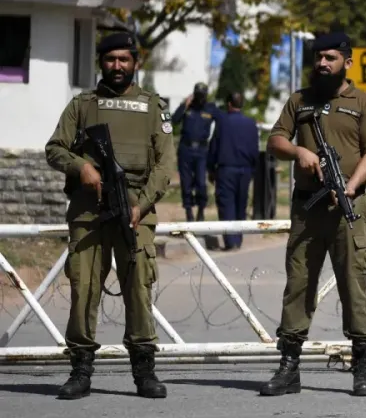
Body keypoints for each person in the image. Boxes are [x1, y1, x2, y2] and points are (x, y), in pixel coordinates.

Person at [44, 31, 175, 400]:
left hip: (135, 213)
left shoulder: (153, 107)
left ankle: (144, 371)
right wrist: (81, 167)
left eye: (124, 59)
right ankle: (80, 370)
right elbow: (54, 148)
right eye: (110, 59)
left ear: (135, 62)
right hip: (89, 214)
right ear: (101, 62)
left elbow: (164, 165)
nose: (117, 66)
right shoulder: (83, 105)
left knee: (138, 290)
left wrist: (141, 205)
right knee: (83, 290)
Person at [259, 31, 366, 397]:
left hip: (348, 206)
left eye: (330, 57)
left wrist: (350, 186)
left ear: (348, 62)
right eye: (318, 57)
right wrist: (299, 152)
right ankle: (289, 366)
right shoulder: (299, 100)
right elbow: (275, 140)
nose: (322, 63)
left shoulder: (363, 102)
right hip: (307, 207)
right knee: (299, 283)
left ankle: (362, 366)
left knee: (354, 283)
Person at [207, 91, 260, 251]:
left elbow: (214, 147)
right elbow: (255, 149)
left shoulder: (223, 122)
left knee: (227, 204)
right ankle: (238, 239)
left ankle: (231, 242)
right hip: (245, 170)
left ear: (229, 104)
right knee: (241, 204)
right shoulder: (251, 123)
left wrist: (211, 169)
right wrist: (253, 170)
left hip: (226, 170)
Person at [170, 82, 220, 222]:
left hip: (202, 151)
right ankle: (188, 211)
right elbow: (174, 120)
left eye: (202, 95)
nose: (200, 98)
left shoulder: (211, 108)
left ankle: (201, 210)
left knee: (201, 183)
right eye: (198, 95)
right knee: (186, 183)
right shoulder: (188, 107)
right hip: (185, 149)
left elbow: (223, 122)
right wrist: (184, 105)